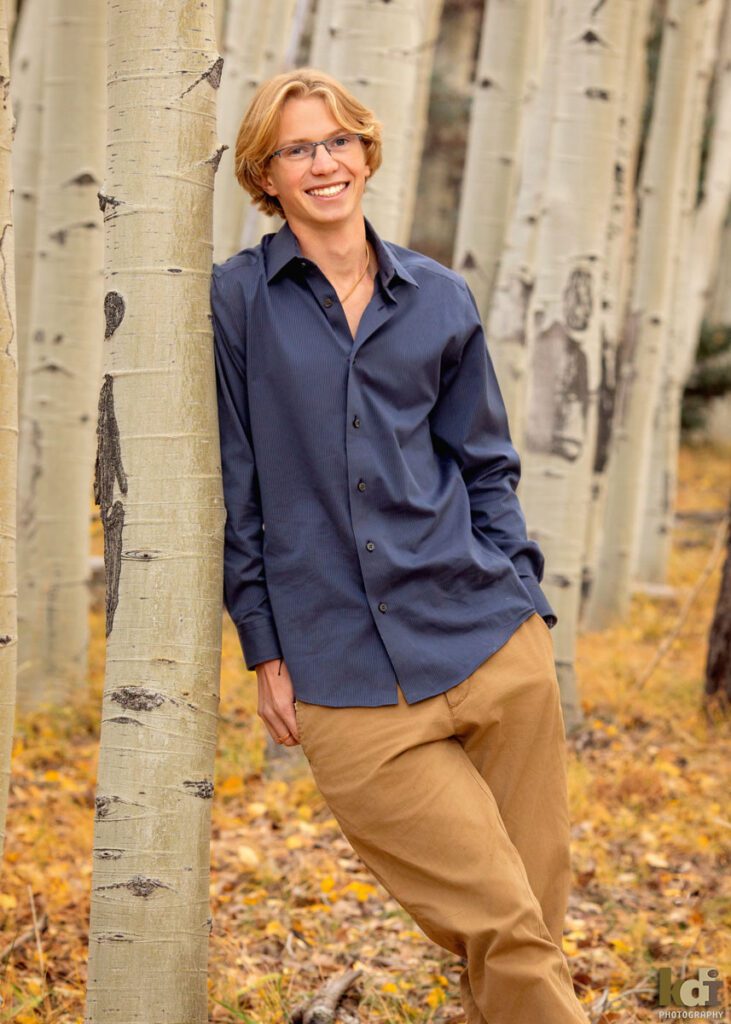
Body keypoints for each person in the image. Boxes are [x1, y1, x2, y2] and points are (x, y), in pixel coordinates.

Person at [211, 67, 590, 1024]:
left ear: (367, 152)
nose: (322, 162)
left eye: (336, 140)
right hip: (343, 676)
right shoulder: (236, 304)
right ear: (266, 175)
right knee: (499, 921)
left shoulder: (438, 297)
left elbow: (484, 465)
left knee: (529, 922)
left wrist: (525, 602)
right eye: (296, 149)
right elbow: (237, 485)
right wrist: (264, 647)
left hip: (487, 637)